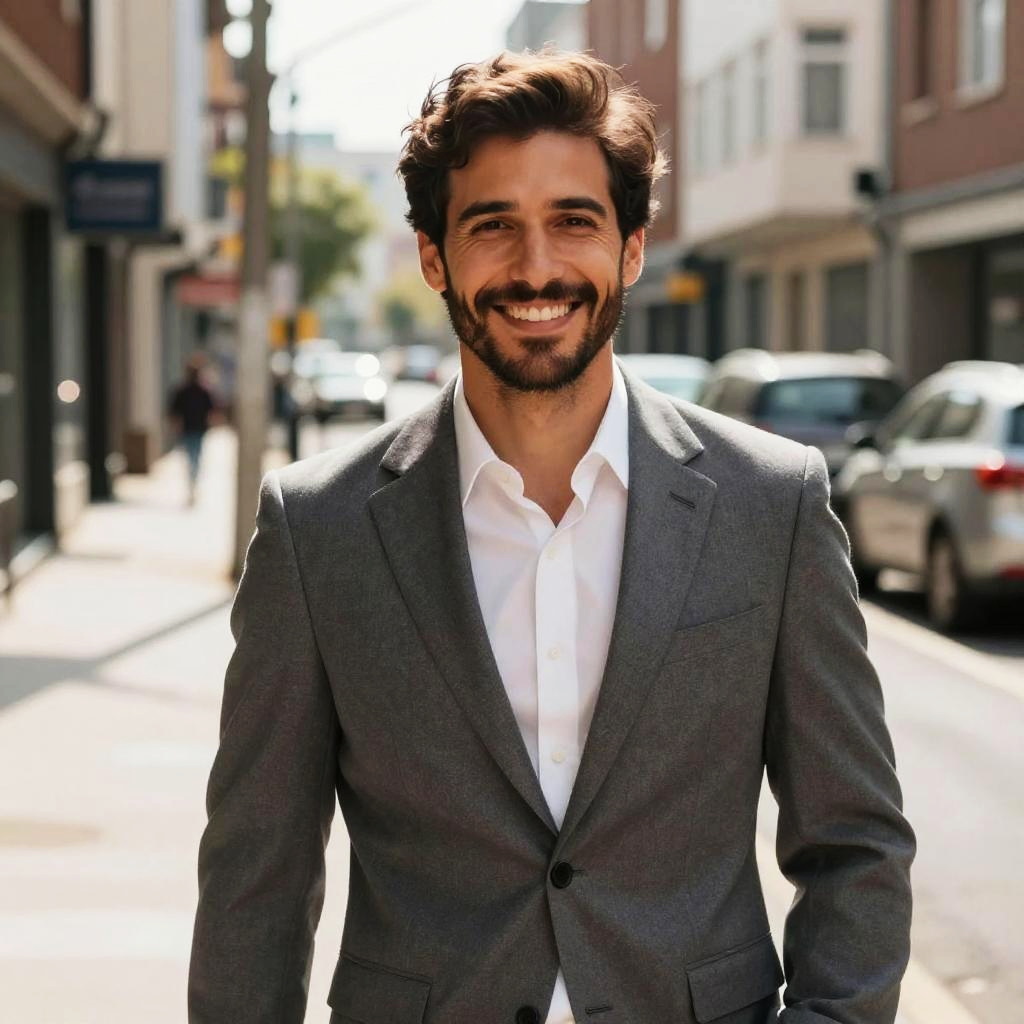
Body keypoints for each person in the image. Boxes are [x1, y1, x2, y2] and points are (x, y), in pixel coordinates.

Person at [188, 51, 914, 1024]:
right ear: (434, 256)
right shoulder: (317, 527)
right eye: (493, 226)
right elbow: (255, 881)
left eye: (573, 220)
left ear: (630, 247)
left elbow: (855, 844)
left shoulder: (768, 505)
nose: (536, 268)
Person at [168, 354, 218, 507]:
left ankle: (192, 483)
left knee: (193, 457)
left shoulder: (199, 391)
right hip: (193, 429)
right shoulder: (193, 391)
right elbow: (175, 411)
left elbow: (212, 411)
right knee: (194, 457)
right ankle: (193, 483)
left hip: (195, 429)